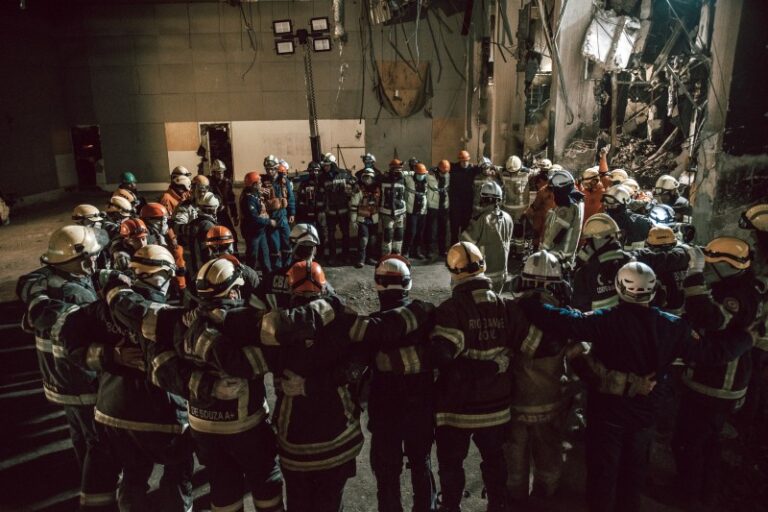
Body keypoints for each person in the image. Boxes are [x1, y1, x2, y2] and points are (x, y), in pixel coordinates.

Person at [516, 261, 753, 512]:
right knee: (633, 476)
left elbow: (564, 321)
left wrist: (529, 303)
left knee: (602, 475)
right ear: (652, 291)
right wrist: (746, 338)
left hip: (606, 414)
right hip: (644, 415)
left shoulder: (605, 320)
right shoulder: (673, 327)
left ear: (619, 287)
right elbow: (712, 353)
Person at [149, 257, 285, 512]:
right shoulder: (243, 323)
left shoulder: (182, 321)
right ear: (233, 289)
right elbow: (254, 363)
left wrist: (203, 384)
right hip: (245, 427)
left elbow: (160, 368)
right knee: (266, 481)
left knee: (223, 487)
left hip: (202, 427)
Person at [430, 241, 533, 512]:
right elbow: (535, 345)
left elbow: (441, 356)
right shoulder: (506, 307)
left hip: (456, 409)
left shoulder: (451, 310)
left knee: (451, 462)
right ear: (483, 267)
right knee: (494, 458)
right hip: (496, 406)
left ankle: (450, 505)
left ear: (453, 271)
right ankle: (497, 504)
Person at [90, 245, 193, 511]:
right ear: (164, 275)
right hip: (160, 415)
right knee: (177, 473)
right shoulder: (162, 313)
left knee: (133, 476)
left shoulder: (103, 306)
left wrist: (109, 355)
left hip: (112, 409)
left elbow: (70, 339)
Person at [673, 237, 760, 507]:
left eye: (712, 262)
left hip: (715, 383)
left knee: (689, 443)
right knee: (708, 444)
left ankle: (688, 497)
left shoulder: (737, 295)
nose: (709, 267)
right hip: (714, 381)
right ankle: (704, 495)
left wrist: (694, 278)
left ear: (727, 264)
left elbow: (712, 319)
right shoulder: (739, 285)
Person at [277, 260, 366, 511]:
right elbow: (357, 366)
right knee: (329, 502)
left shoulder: (279, 327)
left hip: (294, 441)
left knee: (298, 502)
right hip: (337, 438)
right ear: (324, 286)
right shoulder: (343, 319)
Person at [17, 226, 103, 472]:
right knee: (98, 440)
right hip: (82, 382)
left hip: (58, 379)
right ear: (80, 260)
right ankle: (102, 489)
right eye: (92, 255)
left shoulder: (46, 282)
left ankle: (86, 474)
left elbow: (28, 282)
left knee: (78, 433)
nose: (96, 259)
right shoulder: (76, 296)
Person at [368, 256, 437, 512]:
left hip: (385, 412)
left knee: (387, 472)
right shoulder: (427, 314)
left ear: (378, 284)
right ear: (408, 284)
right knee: (421, 463)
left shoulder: (372, 327)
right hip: (420, 408)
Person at [505, 250, 575, 500]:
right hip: (549, 402)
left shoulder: (511, 309)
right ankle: (546, 495)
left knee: (514, 459)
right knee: (548, 456)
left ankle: (515, 499)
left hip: (514, 403)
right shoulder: (563, 315)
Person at [571, 213, 692, 312]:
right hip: (638, 330)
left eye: (588, 241)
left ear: (594, 240)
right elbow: (668, 259)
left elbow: (580, 311)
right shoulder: (637, 258)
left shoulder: (584, 273)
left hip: (602, 334)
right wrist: (690, 252)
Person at [461, 181, 514, 293]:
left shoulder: (480, 219)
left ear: (483, 199)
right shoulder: (508, 218)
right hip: (502, 272)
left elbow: (465, 243)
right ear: (499, 199)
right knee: (496, 304)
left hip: (484, 274)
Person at [255, 222, 321, 309]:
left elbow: (254, 304)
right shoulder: (319, 278)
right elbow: (335, 302)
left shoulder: (270, 278)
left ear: (291, 246)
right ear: (314, 250)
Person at [141, 202, 187, 292]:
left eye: (165, 219)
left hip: (170, 274)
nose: (163, 223)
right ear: (147, 220)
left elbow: (176, 252)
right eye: (160, 219)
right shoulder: (144, 237)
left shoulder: (167, 232)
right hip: (152, 277)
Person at [541, 170, 584, 266]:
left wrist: (543, 249)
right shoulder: (577, 199)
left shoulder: (566, 207)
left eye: (554, 189)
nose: (553, 192)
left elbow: (557, 231)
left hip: (557, 254)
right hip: (566, 254)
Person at [318, 152, 354, 263]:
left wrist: (348, 183)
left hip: (343, 210)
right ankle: (332, 256)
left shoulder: (344, 174)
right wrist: (321, 210)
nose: (325, 167)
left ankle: (346, 255)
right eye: (324, 165)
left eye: (328, 165)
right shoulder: (322, 177)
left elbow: (354, 184)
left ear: (333, 165)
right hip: (330, 212)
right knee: (331, 234)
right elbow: (320, 194)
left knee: (346, 234)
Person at [602, 184, 653, 250]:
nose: (609, 208)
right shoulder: (643, 221)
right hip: (636, 258)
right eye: (608, 206)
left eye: (612, 206)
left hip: (620, 258)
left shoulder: (603, 223)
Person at [240, 171, 272, 274]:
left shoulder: (255, 193)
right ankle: (250, 281)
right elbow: (253, 219)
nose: (261, 184)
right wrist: (269, 221)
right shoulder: (248, 199)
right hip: (252, 233)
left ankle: (268, 281)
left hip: (260, 232)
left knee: (265, 260)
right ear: (254, 184)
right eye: (259, 182)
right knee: (252, 260)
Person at [501, 156, 532, 258]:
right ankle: (509, 250)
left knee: (519, 231)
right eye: (510, 171)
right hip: (508, 209)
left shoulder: (526, 174)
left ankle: (519, 251)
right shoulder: (504, 173)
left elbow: (538, 171)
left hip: (520, 210)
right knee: (508, 231)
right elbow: (494, 168)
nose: (512, 173)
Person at [350, 167, 381, 268]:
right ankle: (361, 259)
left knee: (373, 239)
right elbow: (354, 205)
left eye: (369, 177)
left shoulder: (377, 189)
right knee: (363, 240)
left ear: (373, 178)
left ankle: (370, 258)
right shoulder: (358, 189)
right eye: (365, 177)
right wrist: (353, 220)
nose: (367, 179)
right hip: (363, 219)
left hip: (374, 219)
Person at [184, 191, 219, 279]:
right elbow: (207, 252)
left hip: (193, 266)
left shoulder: (194, 223)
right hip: (204, 268)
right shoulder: (208, 225)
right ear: (213, 209)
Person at [448, 150, 481, 244]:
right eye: (462, 160)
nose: (464, 161)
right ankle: (453, 245)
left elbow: (487, 168)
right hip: (455, 203)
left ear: (469, 159)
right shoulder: (453, 167)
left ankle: (463, 246)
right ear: (459, 159)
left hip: (467, 203)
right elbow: (442, 167)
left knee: (465, 226)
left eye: (466, 160)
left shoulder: (473, 169)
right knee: (454, 226)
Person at [267, 163, 296, 268]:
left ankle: (287, 267)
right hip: (272, 220)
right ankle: (277, 269)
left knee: (287, 244)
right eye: (268, 169)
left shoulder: (284, 182)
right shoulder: (264, 183)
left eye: (271, 169)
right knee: (274, 247)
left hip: (283, 218)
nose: (269, 171)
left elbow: (291, 197)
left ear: (276, 169)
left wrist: (292, 213)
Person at [380, 159, 408, 255]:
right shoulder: (383, 178)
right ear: (391, 168)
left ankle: (397, 254)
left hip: (400, 213)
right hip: (387, 212)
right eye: (396, 169)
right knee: (387, 236)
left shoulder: (404, 178)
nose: (398, 171)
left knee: (399, 235)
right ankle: (386, 255)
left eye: (400, 169)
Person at [209, 159, 239, 248]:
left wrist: (235, 215)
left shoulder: (227, 183)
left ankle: (235, 253)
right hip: (211, 214)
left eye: (222, 172)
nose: (221, 175)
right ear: (213, 173)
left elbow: (231, 200)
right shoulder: (209, 184)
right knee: (215, 235)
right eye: (218, 173)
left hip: (223, 213)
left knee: (231, 233)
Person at [425, 160, 451, 260]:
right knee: (431, 230)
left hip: (444, 206)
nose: (444, 173)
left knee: (443, 230)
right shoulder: (431, 175)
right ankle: (430, 251)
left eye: (446, 171)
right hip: (433, 206)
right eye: (442, 170)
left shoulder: (449, 175)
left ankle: (442, 250)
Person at [524, 168, 555, 248]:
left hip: (553, 218)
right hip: (541, 218)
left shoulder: (561, 192)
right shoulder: (543, 190)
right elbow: (535, 205)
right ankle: (535, 248)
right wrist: (527, 213)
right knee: (537, 233)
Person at [403, 163, 429, 259]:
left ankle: (416, 251)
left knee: (420, 233)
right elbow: (400, 174)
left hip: (422, 211)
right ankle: (406, 251)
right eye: (419, 173)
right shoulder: (408, 179)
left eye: (422, 174)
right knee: (411, 232)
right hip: (411, 211)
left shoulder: (427, 179)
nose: (421, 176)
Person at [295, 161, 324, 230]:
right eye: (312, 171)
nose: (314, 172)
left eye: (316, 170)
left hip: (321, 212)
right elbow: (300, 198)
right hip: (309, 213)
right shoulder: (304, 184)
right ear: (309, 171)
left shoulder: (322, 182)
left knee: (322, 232)